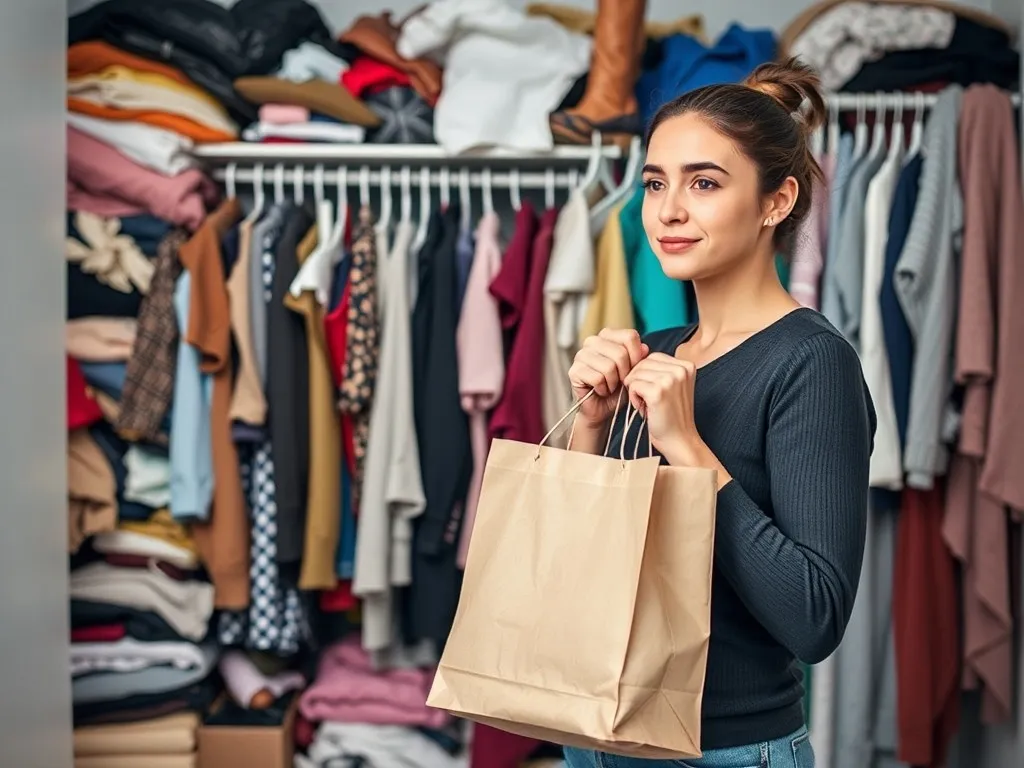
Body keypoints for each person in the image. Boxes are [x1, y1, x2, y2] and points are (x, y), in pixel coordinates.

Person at [563, 58, 876, 768]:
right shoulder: (659, 350)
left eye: (704, 183)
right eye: (654, 183)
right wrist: (588, 422)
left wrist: (688, 447)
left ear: (776, 201)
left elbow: (816, 618)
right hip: (593, 736)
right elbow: (582, 570)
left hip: (725, 751)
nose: (668, 210)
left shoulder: (812, 362)